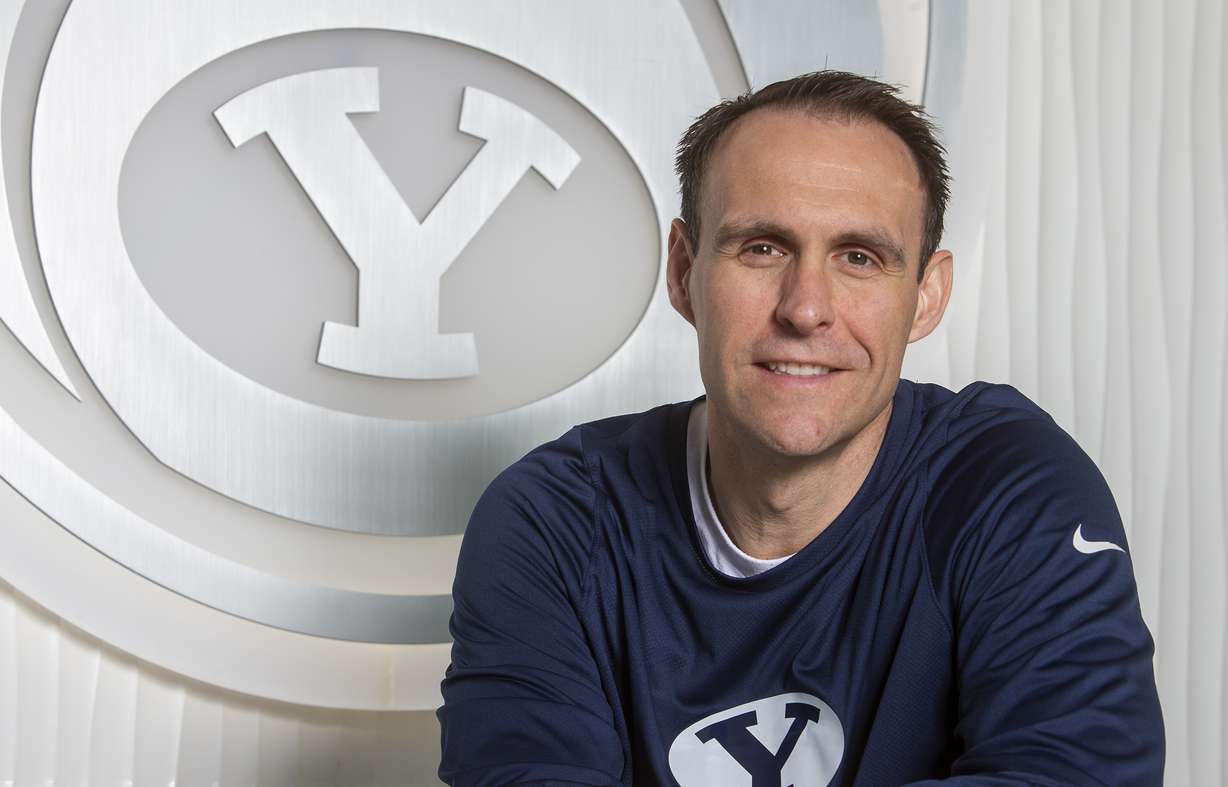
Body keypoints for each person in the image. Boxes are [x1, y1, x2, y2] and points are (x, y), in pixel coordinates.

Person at [437, 70, 1164, 786]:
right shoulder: (555, 523)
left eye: (859, 257)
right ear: (685, 272)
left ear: (926, 296)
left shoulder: (1006, 490)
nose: (806, 308)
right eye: (763, 248)